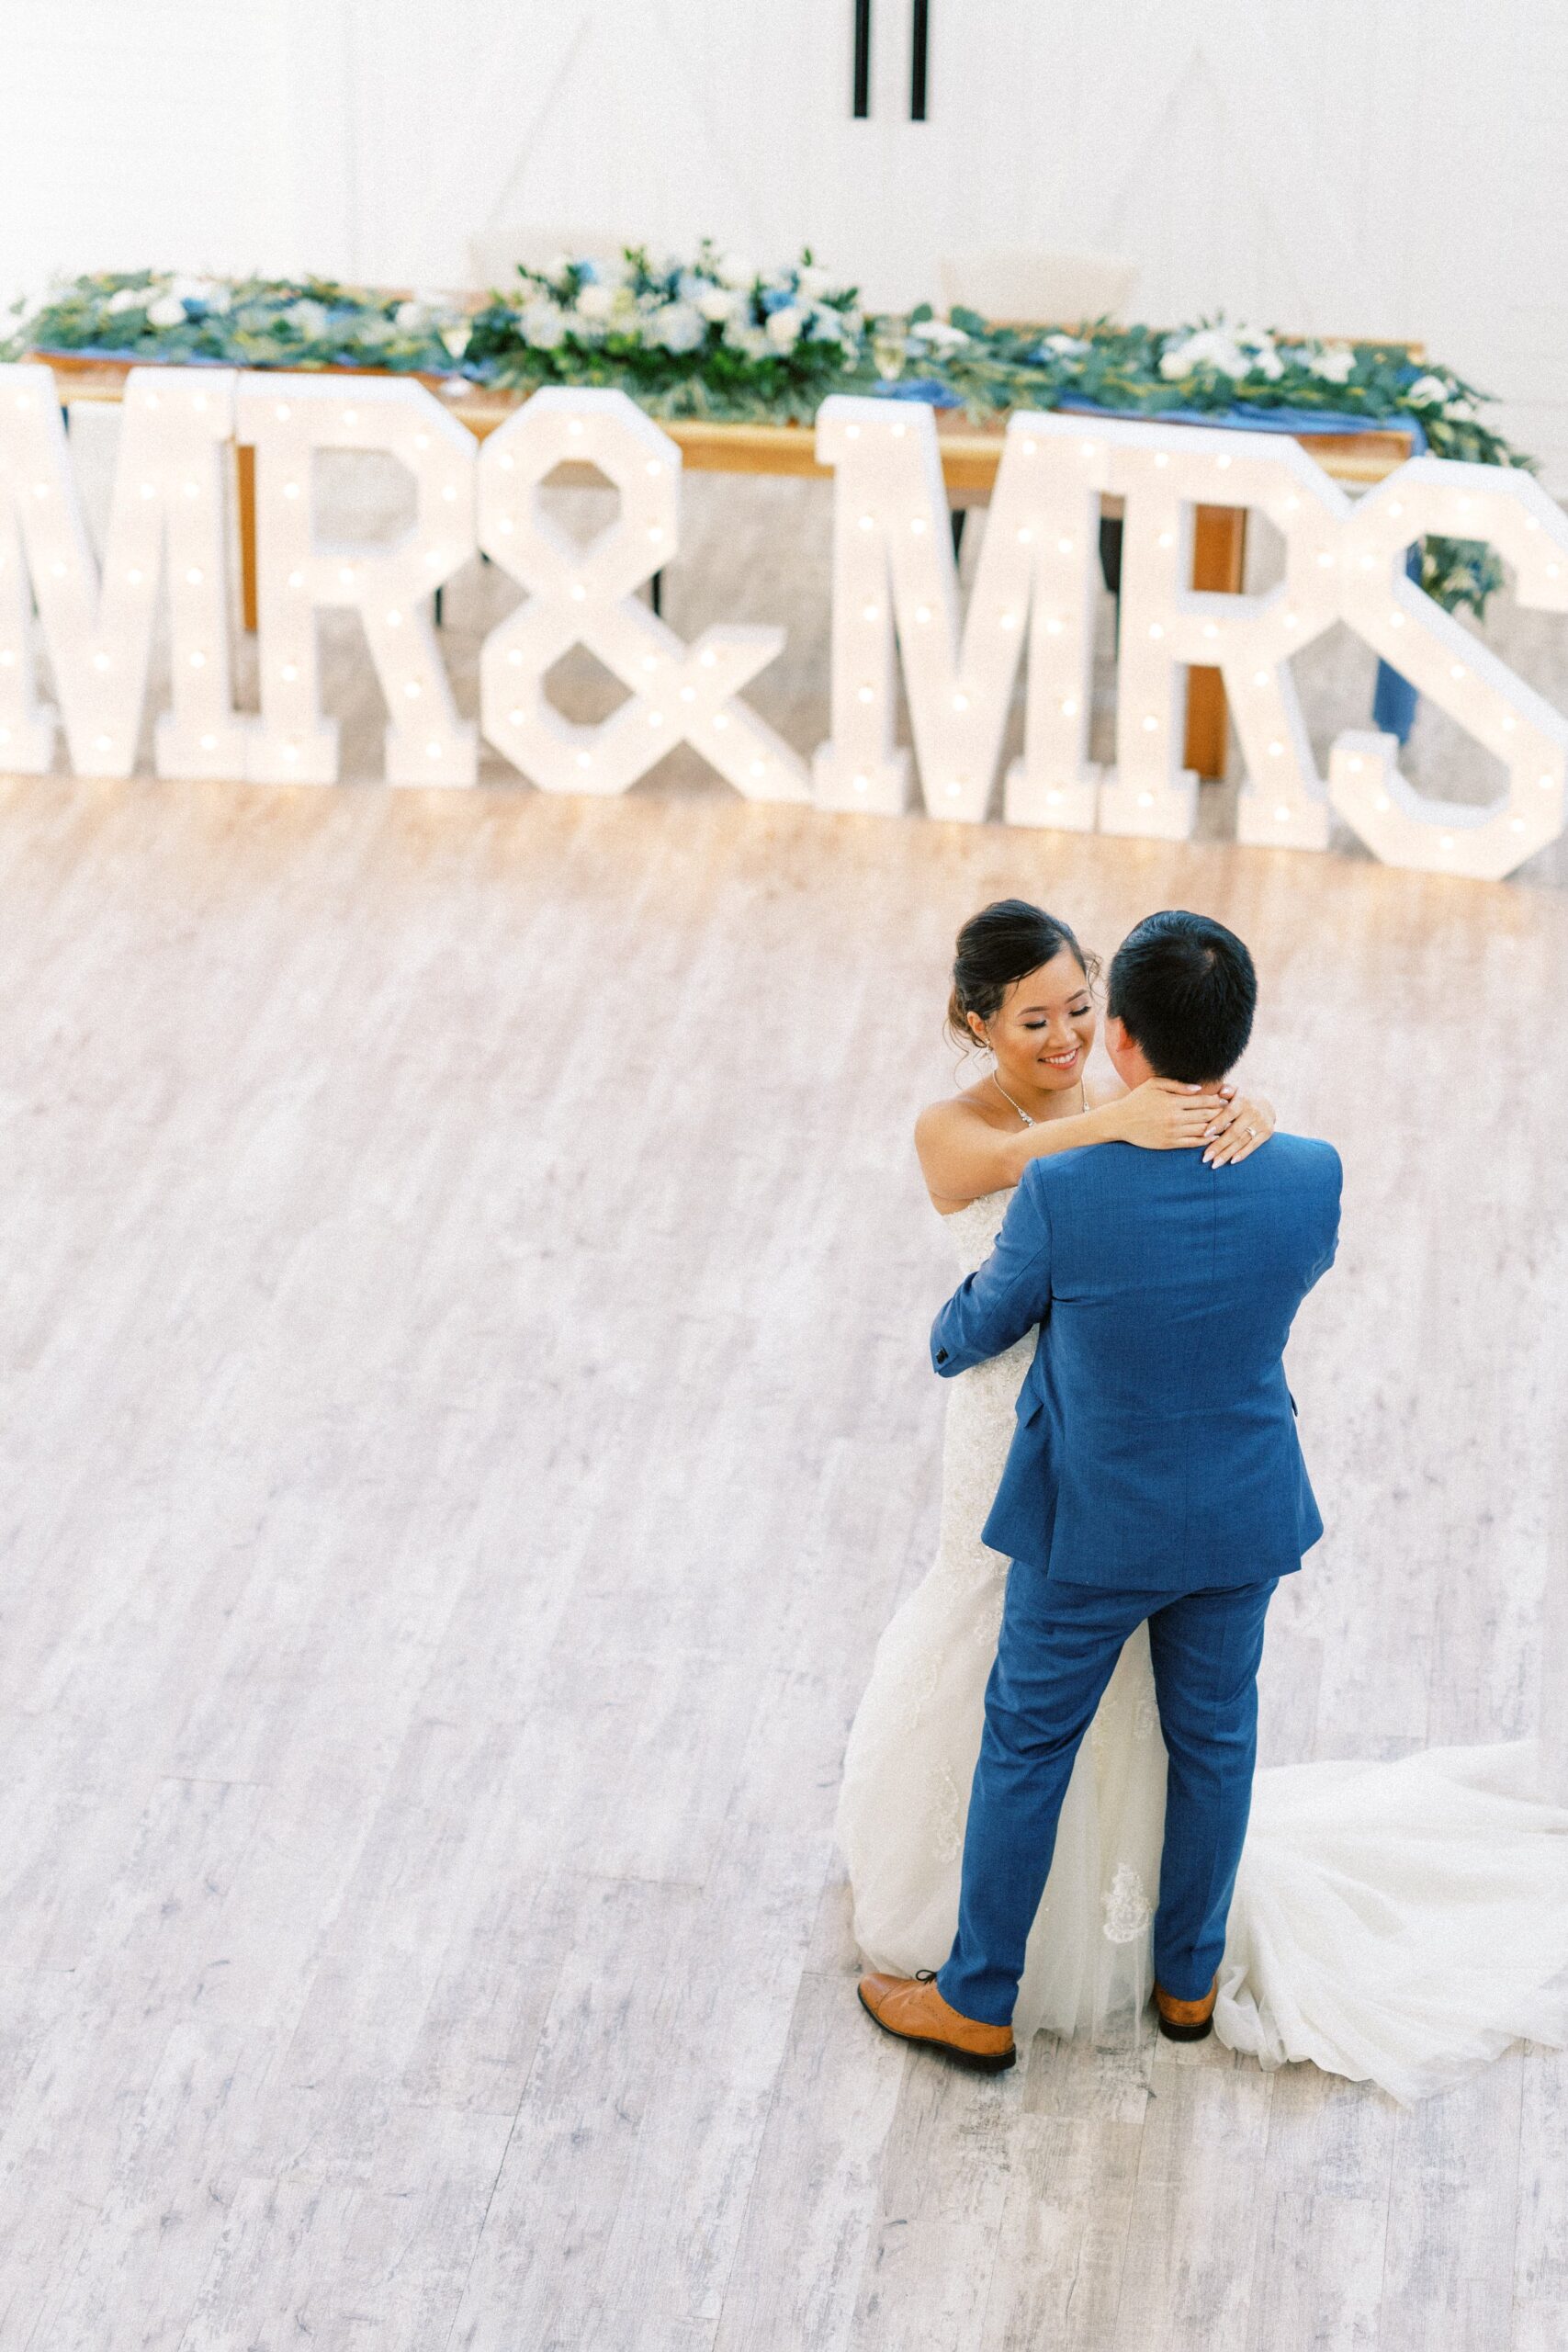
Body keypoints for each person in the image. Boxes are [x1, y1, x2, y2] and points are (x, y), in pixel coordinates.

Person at [844, 902, 1568, 2100]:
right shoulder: (1307, 1174)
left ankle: (977, 2001)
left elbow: (970, 1333)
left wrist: (968, 1314)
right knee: (1215, 1743)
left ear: (1121, 1036)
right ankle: (1187, 1983)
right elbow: (1271, 1267)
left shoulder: (1067, 1192)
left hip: (1090, 1524)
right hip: (1238, 1516)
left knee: (1028, 1742)